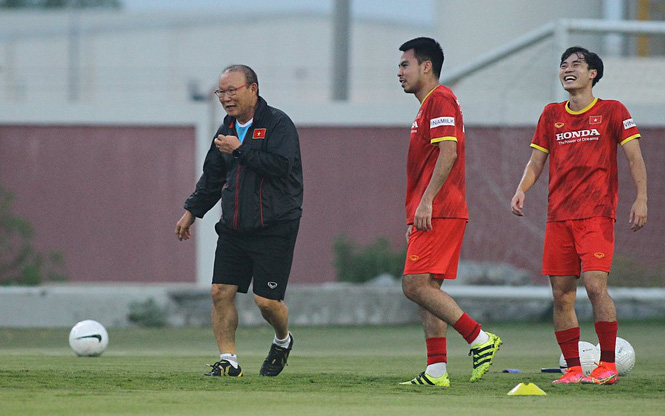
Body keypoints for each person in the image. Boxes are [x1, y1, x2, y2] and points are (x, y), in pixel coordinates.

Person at [511, 46, 647, 385]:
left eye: (576, 64)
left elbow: (634, 158)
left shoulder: (613, 111)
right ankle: (573, 369)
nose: (567, 69)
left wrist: (641, 198)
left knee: (595, 286)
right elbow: (536, 161)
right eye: (563, 65)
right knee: (561, 294)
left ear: (593, 74)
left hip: (597, 215)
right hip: (559, 217)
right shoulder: (550, 114)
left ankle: (608, 365)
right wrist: (522, 189)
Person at [175, 64, 303, 378]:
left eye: (233, 90)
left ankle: (282, 340)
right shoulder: (226, 129)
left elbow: (281, 167)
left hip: (275, 225)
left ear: (253, 89)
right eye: (221, 92)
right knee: (219, 291)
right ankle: (228, 361)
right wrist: (191, 212)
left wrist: (241, 150)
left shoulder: (278, 124)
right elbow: (213, 177)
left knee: (267, 302)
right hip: (234, 227)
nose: (226, 98)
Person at [397, 37, 502, 387]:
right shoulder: (427, 105)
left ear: (426, 66)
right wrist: (415, 212)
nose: (399, 72)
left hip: (440, 209)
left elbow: (449, 153)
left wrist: (427, 202)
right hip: (430, 210)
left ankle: (479, 339)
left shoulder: (440, 98)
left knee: (413, 285)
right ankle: (437, 370)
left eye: (404, 65)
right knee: (428, 288)